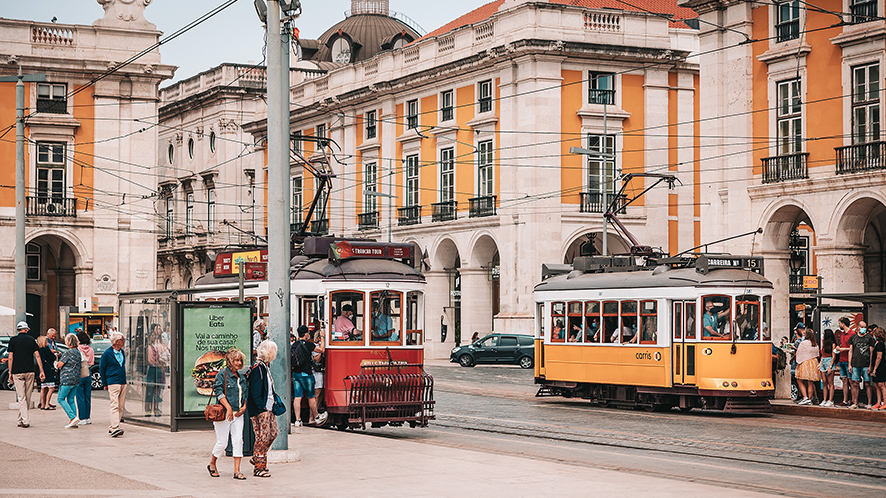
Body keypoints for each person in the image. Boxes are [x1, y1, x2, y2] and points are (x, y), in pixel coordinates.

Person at [208, 348, 248, 480]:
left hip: (238, 415)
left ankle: (237, 471)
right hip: (224, 415)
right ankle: (212, 463)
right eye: (236, 360)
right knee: (223, 442)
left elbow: (245, 394)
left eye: (240, 360)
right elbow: (218, 391)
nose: (238, 362)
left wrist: (244, 407)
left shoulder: (241, 377)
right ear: (230, 361)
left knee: (238, 441)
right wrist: (229, 408)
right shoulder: (222, 374)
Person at [247, 340, 280, 478]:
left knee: (273, 433)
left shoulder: (264, 367)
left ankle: (257, 456)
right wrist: (261, 409)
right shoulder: (258, 369)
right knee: (262, 437)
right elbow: (255, 391)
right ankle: (260, 467)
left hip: (268, 408)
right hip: (261, 410)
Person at [8, 321, 46, 428]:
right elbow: (37, 356)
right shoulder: (31, 340)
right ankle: (21, 420)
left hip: (17, 371)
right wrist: (41, 371)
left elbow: (10, 358)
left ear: (17, 330)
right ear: (26, 329)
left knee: (21, 397)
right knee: (27, 396)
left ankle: (25, 420)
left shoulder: (13, 340)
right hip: (30, 371)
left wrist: (10, 372)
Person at [291, 325, 327, 427]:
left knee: (297, 397)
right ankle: (316, 417)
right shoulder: (309, 344)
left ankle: (298, 420)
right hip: (306, 374)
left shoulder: (295, 344)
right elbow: (322, 350)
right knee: (311, 397)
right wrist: (323, 337)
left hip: (296, 374)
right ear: (306, 334)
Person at [100, 332, 127, 437]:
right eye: (123, 339)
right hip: (113, 381)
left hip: (122, 381)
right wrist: (104, 383)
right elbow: (102, 369)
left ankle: (114, 426)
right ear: (117, 342)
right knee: (114, 405)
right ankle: (115, 427)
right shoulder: (107, 354)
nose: (124, 341)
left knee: (120, 406)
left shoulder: (122, 352)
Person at [55, 334, 83, 428]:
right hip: (76, 379)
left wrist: (57, 362)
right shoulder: (78, 352)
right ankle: (74, 421)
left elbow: (59, 365)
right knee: (71, 399)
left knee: (60, 398)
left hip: (67, 379)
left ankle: (73, 417)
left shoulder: (67, 352)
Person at [848, 320, 876, 409]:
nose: (863, 329)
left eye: (865, 327)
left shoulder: (869, 338)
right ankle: (855, 402)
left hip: (866, 364)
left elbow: (871, 352)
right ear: (858, 327)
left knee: (867, 384)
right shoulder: (853, 338)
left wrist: (871, 365)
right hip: (855, 363)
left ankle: (869, 403)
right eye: (862, 327)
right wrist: (849, 364)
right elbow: (850, 351)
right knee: (855, 383)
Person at [145, 325, 169, 417]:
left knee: (158, 391)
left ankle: (156, 408)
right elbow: (151, 361)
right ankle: (148, 409)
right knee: (150, 390)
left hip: (159, 370)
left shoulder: (160, 346)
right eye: (152, 335)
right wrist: (160, 364)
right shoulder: (149, 348)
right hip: (152, 370)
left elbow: (164, 356)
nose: (154, 337)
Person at [794, 327, 820, 405]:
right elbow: (817, 354)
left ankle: (805, 397)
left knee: (799, 380)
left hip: (804, 362)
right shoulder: (815, 343)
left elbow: (799, 353)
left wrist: (796, 360)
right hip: (813, 362)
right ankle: (809, 398)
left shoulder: (803, 343)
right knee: (810, 382)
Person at [835, 317, 855, 407]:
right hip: (842, 359)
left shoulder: (852, 333)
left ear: (843, 324)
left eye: (839, 323)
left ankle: (853, 400)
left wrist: (843, 349)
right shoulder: (842, 334)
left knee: (851, 381)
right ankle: (845, 400)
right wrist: (839, 348)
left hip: (848, 360)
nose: (839, 325)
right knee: (844, 380)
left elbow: (853, 348)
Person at [76, 331, 94, 425]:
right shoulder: (91, 349)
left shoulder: (78, 349)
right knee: (87, 396)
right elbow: (92, 362)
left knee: (80, 396)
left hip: (80, 373)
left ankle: (82, 418)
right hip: (88, 372)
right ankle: (88, 417)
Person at [36, 336, 57, 411]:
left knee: (43, 387)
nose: (47, 343)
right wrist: (55, 354)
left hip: (41, 370)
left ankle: (42, 404)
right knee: (51, 388)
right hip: (48, 370)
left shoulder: (38, 350)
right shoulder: (46, 349)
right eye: (46, 341)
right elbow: (53, 358)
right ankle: (47, 404)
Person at [819, 329, 838, 407]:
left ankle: (830, 400)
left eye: (823, 334)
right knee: (824, 382)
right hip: (823, 361)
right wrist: (820, 363)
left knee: (830, 383)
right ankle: (824, 399)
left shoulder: (832, 344)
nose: (822, 335)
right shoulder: (823, 344)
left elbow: (834, 356)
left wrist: (830, 367)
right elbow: (822, 355)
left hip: (829, 361)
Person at [869, 327, 886, 410]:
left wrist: (875, 369)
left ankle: (885, 402)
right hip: (875, 366)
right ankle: (878, 402)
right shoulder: (876, 343)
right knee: (876, 385)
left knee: (881, 385)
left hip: (880, 367)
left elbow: (879, 358)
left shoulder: (880, 345)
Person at [311, 329, 325, 415]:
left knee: (320, 395)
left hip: (321, 373)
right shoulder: (315, 346)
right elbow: (316, 360)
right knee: (316, 396)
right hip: (316, 373)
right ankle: (313, 415)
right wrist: (321, 350)